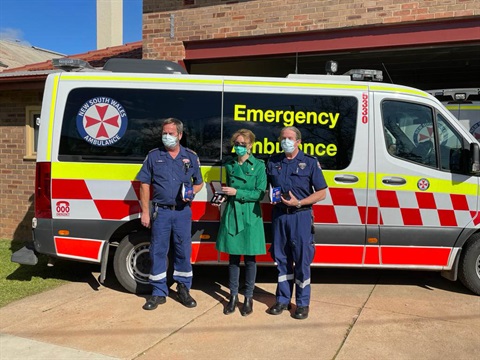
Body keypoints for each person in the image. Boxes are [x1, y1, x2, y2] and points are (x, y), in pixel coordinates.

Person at [137, 118, 204, 310]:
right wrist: (145, 212)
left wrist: (193, 191)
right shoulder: (153, 156)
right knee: (158, 251)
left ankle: (183, 289)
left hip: (183, 212)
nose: (167, 136)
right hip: (161, 212)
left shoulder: (190, 156)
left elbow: (199, 182)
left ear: (180, 135)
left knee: (183, 251)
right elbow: (144, 184)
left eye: (171, 133)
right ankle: (158, 293)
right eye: (164, 133)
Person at [266, 126, 328, 320]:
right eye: (283, 138)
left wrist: (299, 202)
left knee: (302, 261)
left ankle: (302, 303)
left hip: (300, 215)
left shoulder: (309, 162)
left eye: (290, 138)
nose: (286, 141)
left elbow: (322, 192)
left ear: (298, 142)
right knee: (281, 259)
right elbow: (264, 185)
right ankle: (283, 300)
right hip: (280, 216)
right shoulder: (273, 161)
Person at [215, 129, 267, 316]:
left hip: (251, 216)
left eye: (242, 144)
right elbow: (227, 189)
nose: (238, 147)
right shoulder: (229, 165)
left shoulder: (260, 166)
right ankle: (233, 296)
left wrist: (238, 193)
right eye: (236, 144)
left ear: (251, 145)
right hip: (232, 213)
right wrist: (223, 197)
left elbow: (260, 193)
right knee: (233, 258)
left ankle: (249, 297)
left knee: (251, 259)